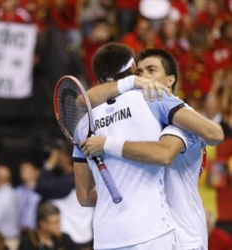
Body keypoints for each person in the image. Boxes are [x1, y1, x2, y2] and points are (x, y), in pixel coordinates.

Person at [72, 43, 223, 250]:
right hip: (152, 233)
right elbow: (82, 101)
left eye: (151, 71)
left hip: (185, 237)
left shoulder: (177, 116)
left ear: (170, 80)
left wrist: (107, 145)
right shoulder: (147, 103)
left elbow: (167, 153)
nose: (145, 78)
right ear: (132, 70)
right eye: (141, 72)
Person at [36, 143, 93, 250]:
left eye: (60, 154)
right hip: (87, 240)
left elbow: (40, 187)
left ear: (66, 157)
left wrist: (49, 164)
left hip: (71, 243)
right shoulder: (89, 178)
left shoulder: (68, 182)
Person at [16, 160, 41, 232]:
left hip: (35, 231)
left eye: (27, 169)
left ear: (36, 172)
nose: (24, 171)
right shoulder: (16, 192)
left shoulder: (41, 192)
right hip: (18, 231)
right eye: (22, 169)